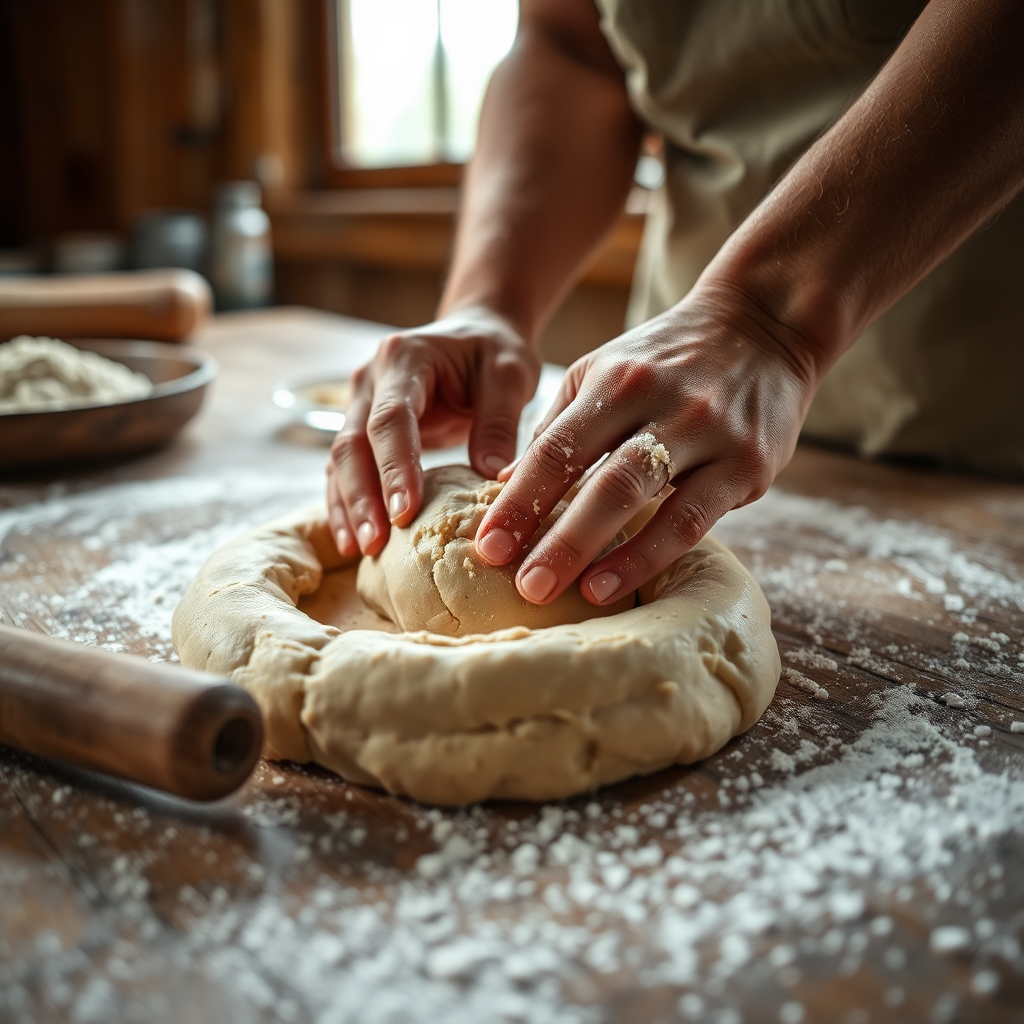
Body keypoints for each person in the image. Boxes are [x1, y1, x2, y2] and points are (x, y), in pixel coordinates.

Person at [326, 0, 1024, 611]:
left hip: (985, 423)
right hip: (681, 436)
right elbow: (570, 45)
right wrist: (489, 302)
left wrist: (763, 317)